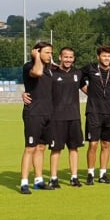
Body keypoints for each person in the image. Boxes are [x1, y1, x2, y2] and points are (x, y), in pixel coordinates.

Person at [81, 45, 110, 184]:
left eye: (108, 56)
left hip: (109, 113)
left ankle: (103, 174)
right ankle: (90, 173)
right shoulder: (90, 69)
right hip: (94, 112)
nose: (106, 58)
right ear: (98, 57)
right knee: (93, 144)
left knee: (106, 145)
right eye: (104, 56)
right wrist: (88, 91)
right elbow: (76, 76)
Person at [20, 42, 54, 194]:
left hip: (48, 113)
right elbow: (37, 73)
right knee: (30, 148)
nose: (50, 55)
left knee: (41, 147)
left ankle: (39, 180)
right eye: (47, 52)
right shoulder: (29, 66)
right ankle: (24, 183)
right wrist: (36, 58)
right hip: (33, 113)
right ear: (37, 52)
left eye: (51, 52)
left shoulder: (51, 69)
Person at [48, 47, 84, 188]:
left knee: (74, 148)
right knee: (56, 149)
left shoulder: (78, 73)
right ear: (60, 57)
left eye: (70, 57)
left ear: (74, 58)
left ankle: (74, 177)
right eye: (65, 57)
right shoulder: (52, 73)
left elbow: (86, 89)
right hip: (57, 117)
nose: (68, 59)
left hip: (74, 116)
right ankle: (53, 178)